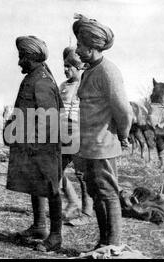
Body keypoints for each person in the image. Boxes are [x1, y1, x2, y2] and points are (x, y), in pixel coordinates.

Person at [73, 14, 132, 249]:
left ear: (93, 45)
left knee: (108, 193)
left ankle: (114, 245)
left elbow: (124, 112)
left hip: (103, 145)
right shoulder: (89, 71)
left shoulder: (108, 71)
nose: (76, 50)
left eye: (80, 45)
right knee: (96, 194)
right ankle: (103, 242)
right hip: (88, 145)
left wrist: (124, 136)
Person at [5, 36, 63, 252]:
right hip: (33, 144)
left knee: (51, 188)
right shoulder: (34, 76)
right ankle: (39, 226)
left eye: (22, 57)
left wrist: (33, 147)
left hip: (43, 146)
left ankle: (56, 237)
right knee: (36, 184)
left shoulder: (41, 82)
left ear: (31, 57)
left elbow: (48, 121)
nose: (19, 62)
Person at [59, 46, 93, 223]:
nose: (65, 69)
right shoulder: (62, 86)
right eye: (64, 66)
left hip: (81, 133)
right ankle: (73, 201)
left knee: (82, 175)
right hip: (64, 133)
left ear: (80, 67)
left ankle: (87, 212)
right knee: (56, 170)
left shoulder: (87, 85)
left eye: (69, 66)